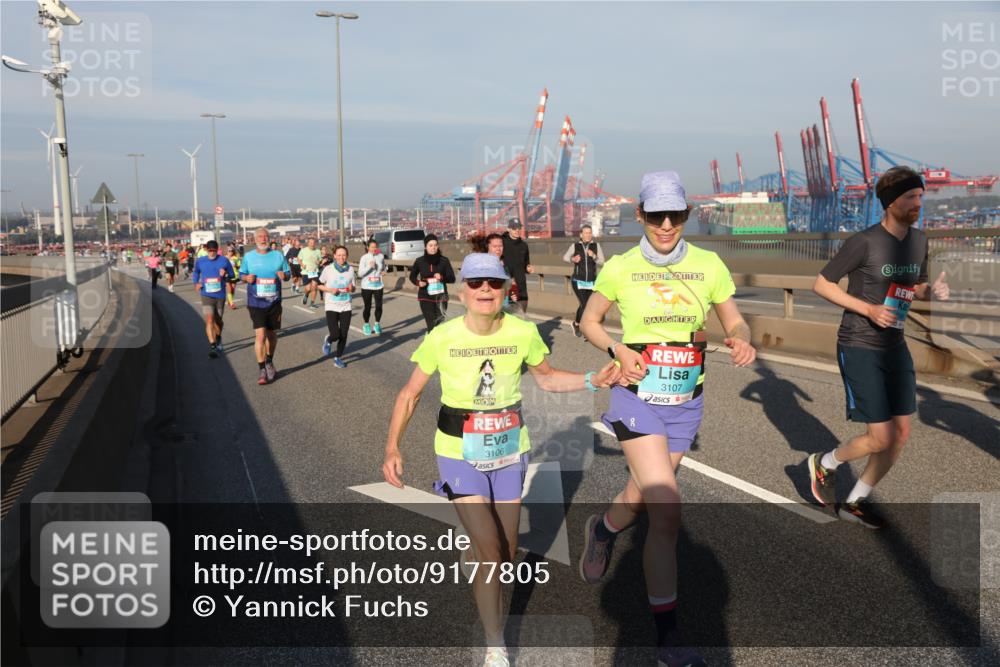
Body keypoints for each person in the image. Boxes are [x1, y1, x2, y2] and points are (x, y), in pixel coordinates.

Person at [383, 253, 621, 667]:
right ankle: (495, 643)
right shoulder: (443, 336)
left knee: (506, 551)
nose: (485, 291)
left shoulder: (523, 332)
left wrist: (590, 379)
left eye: (493, 284)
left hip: (510, 451)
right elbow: (410, 394)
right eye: (476, 284)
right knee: (492, 553)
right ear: (463, 291)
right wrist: (392, 448)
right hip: (459, 452)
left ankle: (480, 551)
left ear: (507, 289)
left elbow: (545, 378)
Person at [578, 171, 756, 667]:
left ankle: (604, 531)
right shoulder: (620, 266)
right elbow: (588, 322)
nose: (664, 224)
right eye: (654, 215)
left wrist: (740, 335)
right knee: (667, 508)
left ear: (686, 215)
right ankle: (669, 638)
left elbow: (733, 316)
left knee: (640, 495)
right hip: (635, 395)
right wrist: (616, 346)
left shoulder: (708, 264)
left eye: (674, 215)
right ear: (639, 214)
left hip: (685, 400)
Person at [808, 166, 949, 529]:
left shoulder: (919, 241)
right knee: (880, 437)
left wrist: (933, 293)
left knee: (900, 434)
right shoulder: (864, 242)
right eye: (910, 198)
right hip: (859, 344)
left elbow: (916, 286)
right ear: (890, 202)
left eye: (921, 197)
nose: (918, 203)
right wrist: (869, 308)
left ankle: (854, 502)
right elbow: (822, 284)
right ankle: (825, 463)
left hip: (895, 346)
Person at [240, 228, 291, 385]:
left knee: (272, 336)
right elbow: (242, 274)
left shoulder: (278, 255)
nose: (263, 239)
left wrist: (285, 276)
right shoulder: (249, 256)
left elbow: (288, 274)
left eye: (266, 237)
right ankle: (262, 369)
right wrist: (246, 278)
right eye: (260, 237)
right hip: (255, 302)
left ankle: (269, 361)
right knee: (260, 335)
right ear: (254, 239)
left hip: (274, 302)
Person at [192, 240, 235, 357]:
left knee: (218, 320)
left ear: (217, 250)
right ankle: (213, 346)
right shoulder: (201, 261)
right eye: (210, 250)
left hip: (220, 295)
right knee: (210, 319)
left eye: (214, 251)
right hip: (206, 294)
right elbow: (196, 272)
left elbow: (232, 275)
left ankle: (219, 336)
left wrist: (225, 273)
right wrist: (196, 283)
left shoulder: (224, 260)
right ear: (206, 250)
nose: (212, 253)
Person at [563, 224, 606, 337]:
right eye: (586, 233)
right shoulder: (575, 246)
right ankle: (580, 325)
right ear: (581, 235)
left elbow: (602, 262)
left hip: (591, 281)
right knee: (585, 304)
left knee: (586, 305)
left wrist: (594, 256)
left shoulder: (596, 246)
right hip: (578, 280)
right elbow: (565, 257)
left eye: (590, 233)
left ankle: (578, 324)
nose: (588, 235)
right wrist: (573, 259)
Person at [318, 245, 356, 368]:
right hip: (331, 305)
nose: (341, 257)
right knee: (335, 334)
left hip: (346, 305)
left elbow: (353, 288)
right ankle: (329, 339)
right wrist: (330, 290)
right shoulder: (328, 269)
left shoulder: (350, 270)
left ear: (347, 256)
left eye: (343, 255)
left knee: (344, 334)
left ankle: (338, 358)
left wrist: (352, 288)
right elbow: (319, 285)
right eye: (339, 255)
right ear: (334, 256)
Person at [409, 234, 456, 333]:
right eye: (430, 245)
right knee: (431, 324)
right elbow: (412, 277)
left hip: (441, 296)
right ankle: (433, 342)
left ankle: (433, 339)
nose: (433, 248)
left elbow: (452, 278)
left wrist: (442, 277)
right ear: (425, 247)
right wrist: (418, 282)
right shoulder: (419, 261)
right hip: (425, 296)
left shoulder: (444, 261)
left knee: (439, 323)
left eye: (435, 245)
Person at [500, 219, 533, 314]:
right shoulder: (502, 243)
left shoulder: (524, 245)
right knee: (506, 315)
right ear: (508, 229)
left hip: (521, 285)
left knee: (522, 313)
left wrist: (528, 268)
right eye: (514, 228)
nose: (517, 230)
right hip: (506, 285)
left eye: (519, 228)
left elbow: (526, 263)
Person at [358, 238, 386, 335]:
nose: (374, 249)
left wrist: (384, 271)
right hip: (366, 286)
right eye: (372, 247)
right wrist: (369, 266)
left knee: (379, 306)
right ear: (368, 247)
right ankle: (366, 324)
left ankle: (377, 324)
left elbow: (384, 266)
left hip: (378, 285)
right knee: (368, 307)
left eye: (375, 247)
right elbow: (360, 274)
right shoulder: (364, 258)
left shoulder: (381, 256)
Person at [298, 237, 323, 308]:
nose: (312, 244)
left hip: (315, 271)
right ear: (308, 243)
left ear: (315, 243)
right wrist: (302, 265)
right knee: (308, 288)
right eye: (310, 243)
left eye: (313, 243)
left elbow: (320, 260)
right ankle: (306, 294)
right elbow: (299, 259)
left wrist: (318, 262)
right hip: (306, 272)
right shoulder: (303, 250)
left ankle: (312, 303)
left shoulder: (318, 251)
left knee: (314, 286)